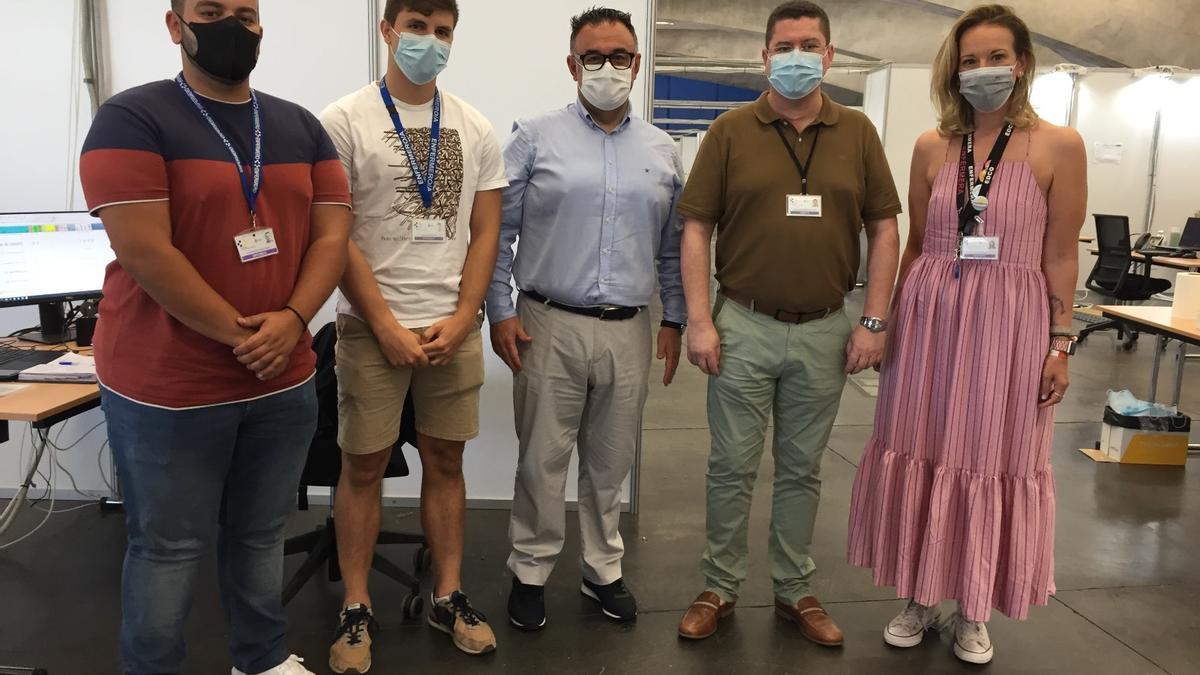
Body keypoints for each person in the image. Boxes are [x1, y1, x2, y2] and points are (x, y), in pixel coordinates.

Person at [78, 1, 352, 673]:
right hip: (168, 386)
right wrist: (243, 334)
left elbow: (333, 235)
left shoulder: (300, 128)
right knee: (167, 549)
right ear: (176, 26)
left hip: (280, 380)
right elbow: (146, 252)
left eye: (247, 13)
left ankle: (259, 659)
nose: (234, 24)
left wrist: (291, 322)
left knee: (260, 536)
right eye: (211, 10)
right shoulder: (131, 119)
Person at [847, 4, 1086, 665]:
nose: (982, 71)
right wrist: (887, 319)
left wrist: (1060, 342)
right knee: (921, 443)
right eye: (970, 60)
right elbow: (921, 241)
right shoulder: (932, 145)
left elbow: (1061, 253)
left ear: (1023, 63)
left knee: (992, 452)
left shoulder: (1059, 145)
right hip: (932, 315)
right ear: (954, 71)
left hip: (1010, 321)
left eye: (995, 58)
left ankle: (974, 608)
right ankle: (921, 595)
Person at [674, 0, 902, 646]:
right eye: (785, 45)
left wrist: (875, 320)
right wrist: (699, 318)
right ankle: (718, 584)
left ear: (829, 56)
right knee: (731, 465)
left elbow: (884, 229)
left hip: (828, 327)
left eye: (810, 44)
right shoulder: (728, 131)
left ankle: (793, 586)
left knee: (803, 467)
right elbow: (696, 229)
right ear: (764, 55)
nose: (796, 56)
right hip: (742, 323)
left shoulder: (857, 132)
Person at [318, 0, 506, 666]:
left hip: (452, 327)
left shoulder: (474, 126)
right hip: (374, 329)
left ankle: (448, 595)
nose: (429, 41)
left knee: (447, 462)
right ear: (388, 29)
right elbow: (334, 236)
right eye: (417, 27)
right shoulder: (343, 121)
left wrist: (465, 315)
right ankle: (356, 606)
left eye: (443, 31)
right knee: (362, 465)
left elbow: (486, 231)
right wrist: (385, 325)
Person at [487, 7, 686, 631]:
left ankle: (603, 569)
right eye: (593, 57)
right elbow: (497, 234)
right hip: (548, 321)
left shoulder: (662, 149)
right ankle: (530, 570)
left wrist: (674, 318)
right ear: (573, 66)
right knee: (541, 459)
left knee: (610, 461)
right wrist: (498, 310)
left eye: (620, 56)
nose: (607, 68)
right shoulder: (534, 137)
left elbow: (672, 246)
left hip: (630, 325)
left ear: (636, 63)